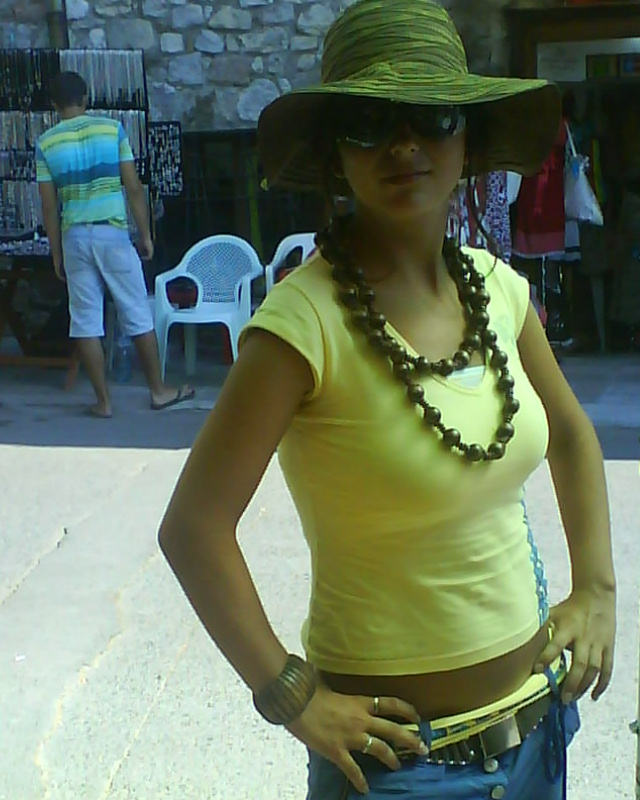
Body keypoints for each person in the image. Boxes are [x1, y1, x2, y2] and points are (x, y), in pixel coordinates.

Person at [158, 2, 616, 798]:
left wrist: (598, 589)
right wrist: (292, 696)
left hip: (539, 734)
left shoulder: (499, 291)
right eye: (369, 124)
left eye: (433, 117)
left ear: (466, 139)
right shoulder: (303, 323)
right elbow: (194, 528)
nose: (405, 145)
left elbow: (572, 438)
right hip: (400, 772)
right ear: (336, 155)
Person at [36, 71, 194, 418]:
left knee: (85, 320)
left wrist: (56, 252)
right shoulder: (112, 130)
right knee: (136, 309)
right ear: (86, 98)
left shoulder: (46, 143)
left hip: (75, 237)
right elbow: (133, 187)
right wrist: (145, 234)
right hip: (112, 233)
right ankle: (159, 391)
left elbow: (48, 206)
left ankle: (104, 402)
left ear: (53, 104)